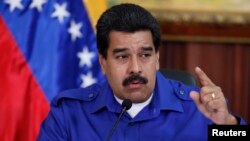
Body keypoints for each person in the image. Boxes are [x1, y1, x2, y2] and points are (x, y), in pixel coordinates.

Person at [37, 3, 246, 141]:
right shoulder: (69, 113)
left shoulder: (200, 109)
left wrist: (227, 124)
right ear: (103, 62)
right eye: (122, 57)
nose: (135, 68)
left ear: (157, 58)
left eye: (145, 55)